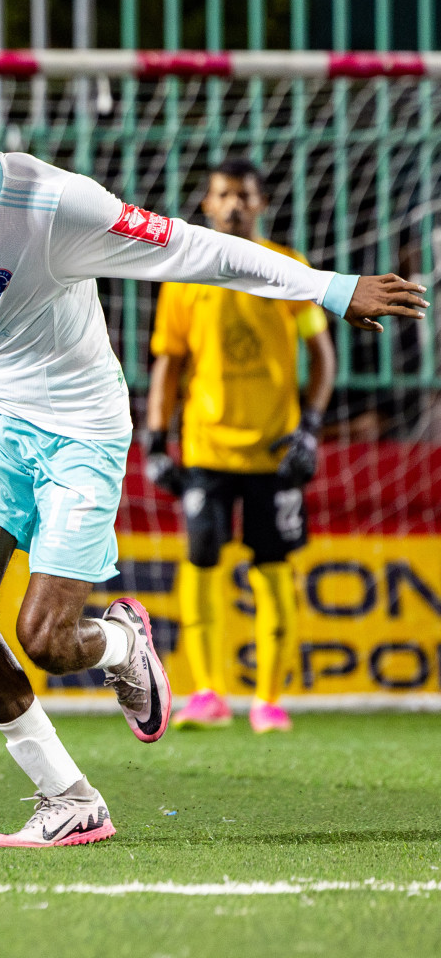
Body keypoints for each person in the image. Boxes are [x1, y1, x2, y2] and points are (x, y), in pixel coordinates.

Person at [0, 52, 426, 848]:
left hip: (82, 431)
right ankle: (68, 796)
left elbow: (197, 248)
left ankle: (125, 643)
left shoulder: (58, 204)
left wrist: (331, 288)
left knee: (47, 641)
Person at [144, 160, 335, 735]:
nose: (233, 205)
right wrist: (156, 440)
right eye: (223, 195)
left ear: (261, 204)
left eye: (243, 196)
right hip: (206, 450)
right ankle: (207, 692)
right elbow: (168, 363)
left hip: (275, 452)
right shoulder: (184, 276)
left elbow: (322, 355)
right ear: (207, 204)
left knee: (273, 567)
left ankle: (269, 700)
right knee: (202, 561)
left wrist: (311, 428)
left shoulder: (290, 269)